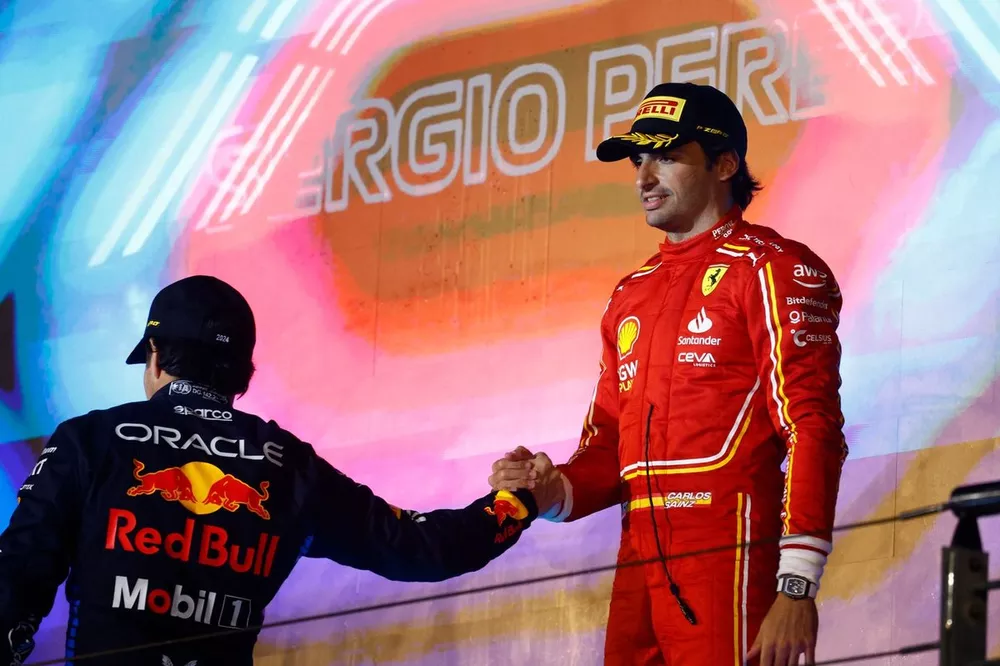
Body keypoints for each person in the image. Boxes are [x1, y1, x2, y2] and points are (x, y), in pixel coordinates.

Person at [0, 275, 539, 666]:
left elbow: (16, 577)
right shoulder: (286, 464)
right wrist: (515, 503)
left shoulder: (89, 440)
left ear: (157, 357)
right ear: (243, 374)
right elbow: (421, 549)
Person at [489, 82, 848, 666]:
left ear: (726, 164)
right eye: (638, 159)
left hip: (730, 552)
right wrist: (550, 490)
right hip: (639, 559)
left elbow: (813, 428)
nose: (643, 177)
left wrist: (797, 584)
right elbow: (608, 449)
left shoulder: (775, 269)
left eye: (666, 156)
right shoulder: (630, 295)